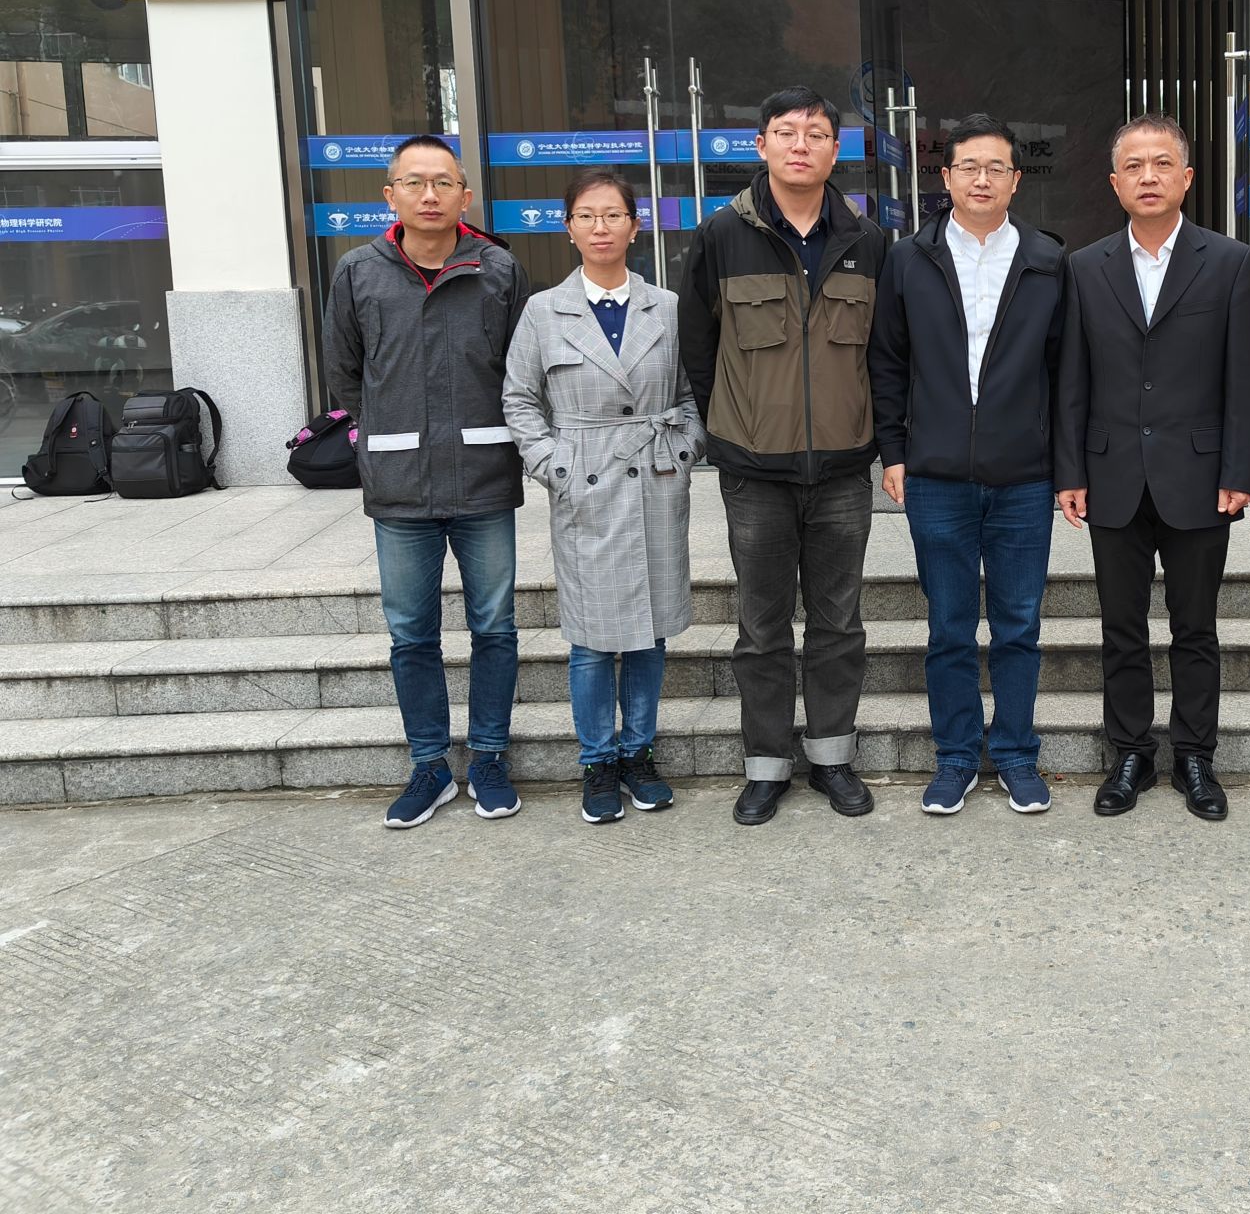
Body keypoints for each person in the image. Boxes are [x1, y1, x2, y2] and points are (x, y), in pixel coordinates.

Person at [678, 86, 887, 827]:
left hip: (842, 470)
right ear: (761, 144)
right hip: (754, 474)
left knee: (839, 624)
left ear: (836, 150)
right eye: (787, 132)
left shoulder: (868, 240)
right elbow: (697, 350)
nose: (802, 145)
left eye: (817, 133)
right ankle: (765, 766)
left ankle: (832, 759)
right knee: (762, 628)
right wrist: (730, 431)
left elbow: (885, 356)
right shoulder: (720, 235)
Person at [1054, 114, 1250, 821]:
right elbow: (1071, 378)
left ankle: (1196, 756)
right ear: (1115, 183)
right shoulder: (1085, 267)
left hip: (1200, 476)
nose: (1149, 176)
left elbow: (1245, 377)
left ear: (1187, 177)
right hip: (1110, 473)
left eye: (1162, 163)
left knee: (1195, 628)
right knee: (1122, 628)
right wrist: (1070, 470)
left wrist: (1240, 470)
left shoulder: (1229, 261)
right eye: (1134, 166)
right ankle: (1131, 754)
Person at [323, 134, 531, 829]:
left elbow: (522, 367)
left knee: (494, 627)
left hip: (483, 477)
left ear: (465, 196)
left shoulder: (497, 269)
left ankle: (490, 758)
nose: (430, 194)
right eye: (414, 182)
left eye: (443, 182)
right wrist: (384, 430)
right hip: (400, 483)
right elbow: (345, 370)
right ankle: (429, 765)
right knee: (411, 633)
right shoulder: (359, 271)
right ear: (391, 196)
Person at [871, 114, 1066, 816]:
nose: (982, 179)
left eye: (996, 168)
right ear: (947, 177)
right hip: (937, 475)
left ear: (1016, 180)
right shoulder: (909, 259)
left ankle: (1015, 754)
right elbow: (887, 363)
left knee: (1019, 626)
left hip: (1024, 478)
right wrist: (894, 451)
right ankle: (955, 756)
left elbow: (1064, 373)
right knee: (949, 627)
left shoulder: (1048, 259)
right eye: (969, 167)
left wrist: (1065, 467)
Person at [503, 170, 705, 826]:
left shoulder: (668, 308)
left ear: (634, 226)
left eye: (613, 215)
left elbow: (694, 395)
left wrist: (682, 451)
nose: (600, 228)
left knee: (648, 633)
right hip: (584, 482)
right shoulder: (543, 311)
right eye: (587, 216)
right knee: (591, 640)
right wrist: (554, 465)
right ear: (568, 228)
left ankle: (639, 753)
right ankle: (597, 761)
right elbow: (519, 400)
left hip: (654, 478)